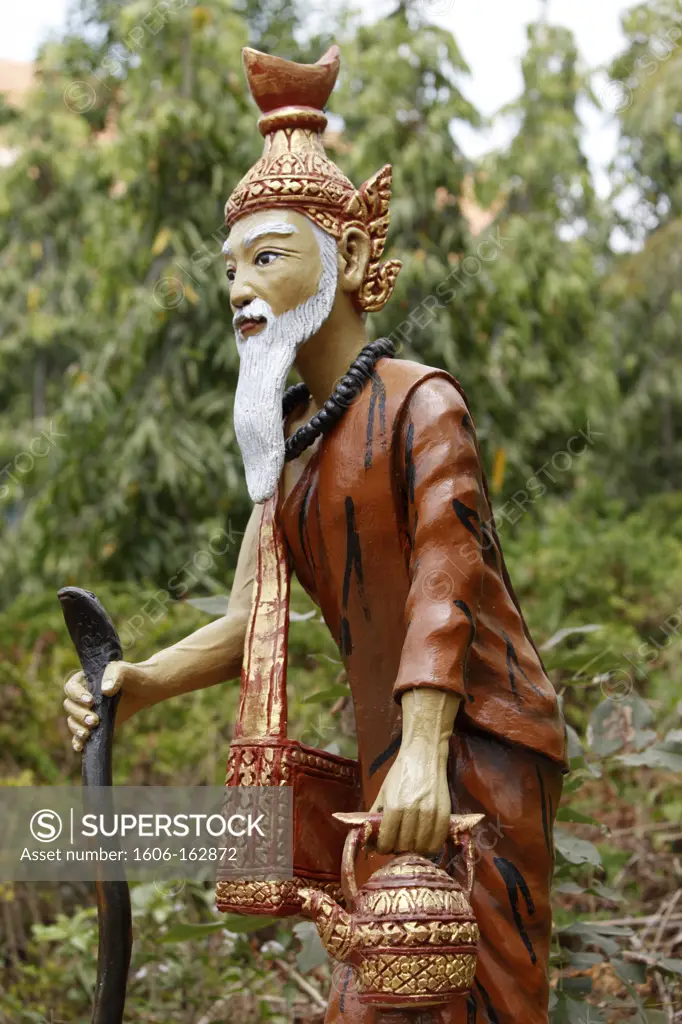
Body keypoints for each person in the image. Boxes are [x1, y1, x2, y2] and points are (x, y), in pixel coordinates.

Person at [63, 45, 567, 1023]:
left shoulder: (420, 404)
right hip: (397, 759)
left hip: (478, 742)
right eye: (229, 267)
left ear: (341, 261)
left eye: (267, 258)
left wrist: (427, 745)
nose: (237, 288)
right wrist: (140, 678)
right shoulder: (288, 455)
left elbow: (444, 573)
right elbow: (249, 619)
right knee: (379, 989)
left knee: (471, 991)